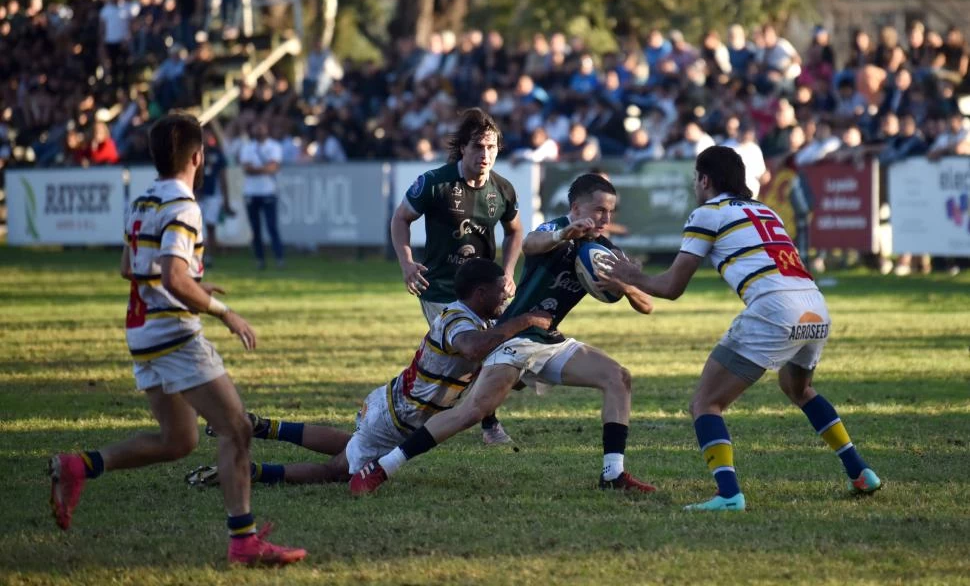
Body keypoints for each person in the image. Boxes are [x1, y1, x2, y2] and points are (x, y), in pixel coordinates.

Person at [47, 113, 306, 566]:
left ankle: (79, 466)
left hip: (142, 332)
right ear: (197, 156)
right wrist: (224, 312)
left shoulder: (142, 199)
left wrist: (186, 283)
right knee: (237, 427)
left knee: (179, 440)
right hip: (172, 334)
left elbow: (130, 268)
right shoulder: (185, 206)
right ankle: (243, 541)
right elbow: (172, 274)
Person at [597, 146, 882, 512]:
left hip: (774, 310)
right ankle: (860, 471)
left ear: (705, 179)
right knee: (800, 389)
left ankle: (729, 494)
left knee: (705, 403)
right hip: (815, 305)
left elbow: (671, 288)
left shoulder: (706, 213)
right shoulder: (765, 210)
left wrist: (630, 277)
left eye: (695, 179)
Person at [350, 174, 657, 496]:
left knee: (618, 377)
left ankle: (613, 473)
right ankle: (381, 468)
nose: (606, 219)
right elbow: (530, 244)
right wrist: (565, 233)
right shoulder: (553, 230)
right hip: (516, 338)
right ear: (576, 207)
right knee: (474, 411)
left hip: (549, 339)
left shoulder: (604, 250)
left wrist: (625, 287)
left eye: (610, 212)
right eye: (599, 210)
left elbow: (647, 304)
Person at [186, 259, 554, 487]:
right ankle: (249, 473)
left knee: (351, 447)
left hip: (392, 404)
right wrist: (522, 321)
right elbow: (473, 348)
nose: (505, 299)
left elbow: (485, 359)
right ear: (478, 292)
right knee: (338, 471)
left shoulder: (476, 319)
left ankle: (261, 426)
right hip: (399, 416)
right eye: (499, 293)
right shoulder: (459, 319)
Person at [389, 108, 524, 445]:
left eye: (492, 148)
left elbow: (515, 232)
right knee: (469, 356)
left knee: (487, 355)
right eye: (478, 147)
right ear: (463, 148)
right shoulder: (435, 183)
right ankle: (415, 416)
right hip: (440, 289)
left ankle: (484, 421)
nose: (485, 155)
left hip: (484, 291)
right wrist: (407, 263)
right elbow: (400, 218)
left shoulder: (503, 190)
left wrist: (507, 273)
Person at [239, 120, 284, 269]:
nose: (259, 131)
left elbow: (274, 167)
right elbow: (247, 168)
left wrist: (256, 169)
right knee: (255, 228)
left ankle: (279, 257)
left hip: (268, 191)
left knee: (272, 227)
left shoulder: (274, 146)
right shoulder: (247, 147)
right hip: (251, 192)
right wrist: (264, 169)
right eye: (256, 127)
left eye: (262, 127)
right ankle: (260, 259)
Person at [199, 127, 235, 266]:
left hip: (213, 194)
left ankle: (208, 257)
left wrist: (226, 199)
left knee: (210, 225)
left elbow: (223, 176)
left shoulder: (217, 154)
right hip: (197, 194)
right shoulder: (194, 153)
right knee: (194, 227)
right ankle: (195, 256)